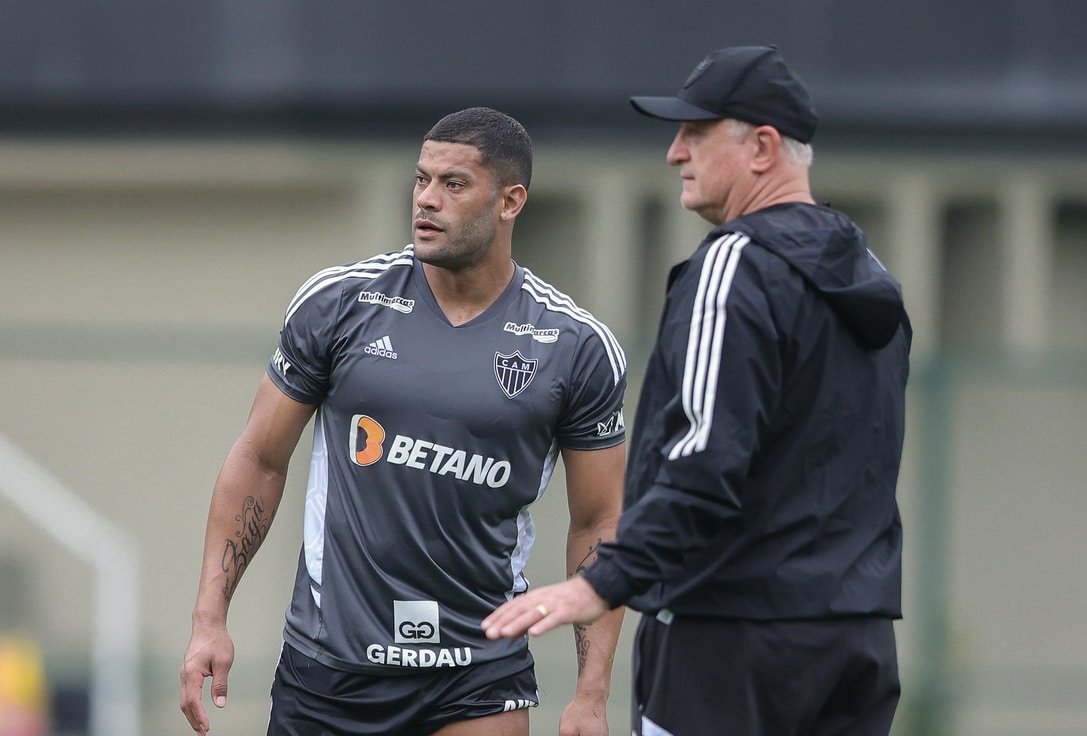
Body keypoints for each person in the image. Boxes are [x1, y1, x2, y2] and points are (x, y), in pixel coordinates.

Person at [484, 46, 912, 736]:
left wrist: (601, 582)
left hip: (731, 639)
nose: (674, 152)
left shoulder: (736, 266)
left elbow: (703, 458)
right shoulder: (871, 272)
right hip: (855, 641)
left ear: (763, 148)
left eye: (696, 132)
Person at [180, 106, 628, 736]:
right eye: (421, 180)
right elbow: (259, 459)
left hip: (478, 670)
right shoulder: (340, 303)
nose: (426, 200)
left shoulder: (575, 345)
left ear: (511, 201)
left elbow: (599, 521)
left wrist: (592, 690)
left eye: (453, 184)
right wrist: (209, 619)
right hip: (330, 667)